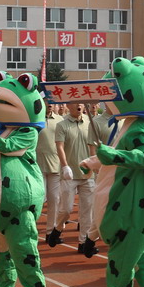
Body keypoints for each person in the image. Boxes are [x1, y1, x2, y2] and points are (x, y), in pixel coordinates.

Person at [53, 102, 96, 255]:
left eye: (81, 103)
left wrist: (92, 166)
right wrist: (65, 166)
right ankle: (57, 228)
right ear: (69, 106)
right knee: (67, 209)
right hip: (69, 174)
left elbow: (92, 146)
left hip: (87, 174)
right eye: (75, 103)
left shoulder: (90, 123)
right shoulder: (62, 125)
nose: (78, 105)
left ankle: (83, 242)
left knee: (87, 210)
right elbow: (59, 146)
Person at [38, 101, 63, 245]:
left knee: (55, 199)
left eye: (52, 103)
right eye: (47, 102)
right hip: (38, 165)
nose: (49, 105)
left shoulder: (60, 120)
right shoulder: (36, 119)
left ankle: (50, 231)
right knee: (38, 200)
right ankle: (30, 230)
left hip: (56, 166)